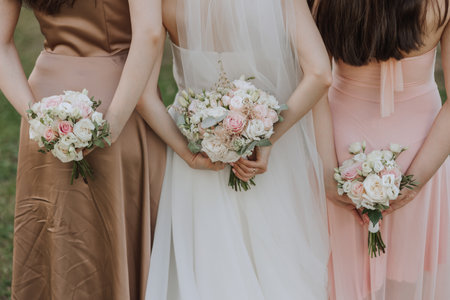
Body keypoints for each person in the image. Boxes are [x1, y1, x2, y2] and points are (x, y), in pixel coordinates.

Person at [137, 0, 333, 299]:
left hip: (199, 155)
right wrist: (267, 137)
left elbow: (144, 95)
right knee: (280, 269)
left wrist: (186, 152)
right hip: (271, 161)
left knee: (208, 271)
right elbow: (320, 74)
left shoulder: (165, 4)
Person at [0, 0, 165, 298]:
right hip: (117, 98)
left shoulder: (42, 117)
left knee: (55, 240)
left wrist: (38, 118)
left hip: (46, 102)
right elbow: (150, 33)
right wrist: (112, 125)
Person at [312, 0, 450, 298]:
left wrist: (326, 172)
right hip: (421, 149)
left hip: (341, 148)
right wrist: (414, 183)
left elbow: (316, 86)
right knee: (410, 273)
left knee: (343, 271)